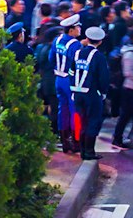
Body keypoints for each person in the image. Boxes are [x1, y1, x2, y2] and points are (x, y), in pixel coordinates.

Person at [71, 26, 112, 160]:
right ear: (100, 42)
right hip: (92, 93)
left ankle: (82, 149)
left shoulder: (77, 53)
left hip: (77, 92)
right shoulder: (99, 57)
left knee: (82, 120)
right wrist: (103, 92)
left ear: (87, 39)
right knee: (93, 121)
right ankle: (89, 151)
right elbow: (103, 77)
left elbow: (71, 72)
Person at [52, 14, 84, 153]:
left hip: (58, 78)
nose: (79, 29)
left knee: (62, 110)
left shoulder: (57, 40)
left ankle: (64, 140)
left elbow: (51, 58)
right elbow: (76, 64)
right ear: (71, 30)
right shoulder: (75, 44)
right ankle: (76, 141)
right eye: (77, 27)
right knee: (74, 111)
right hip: (69, 81)